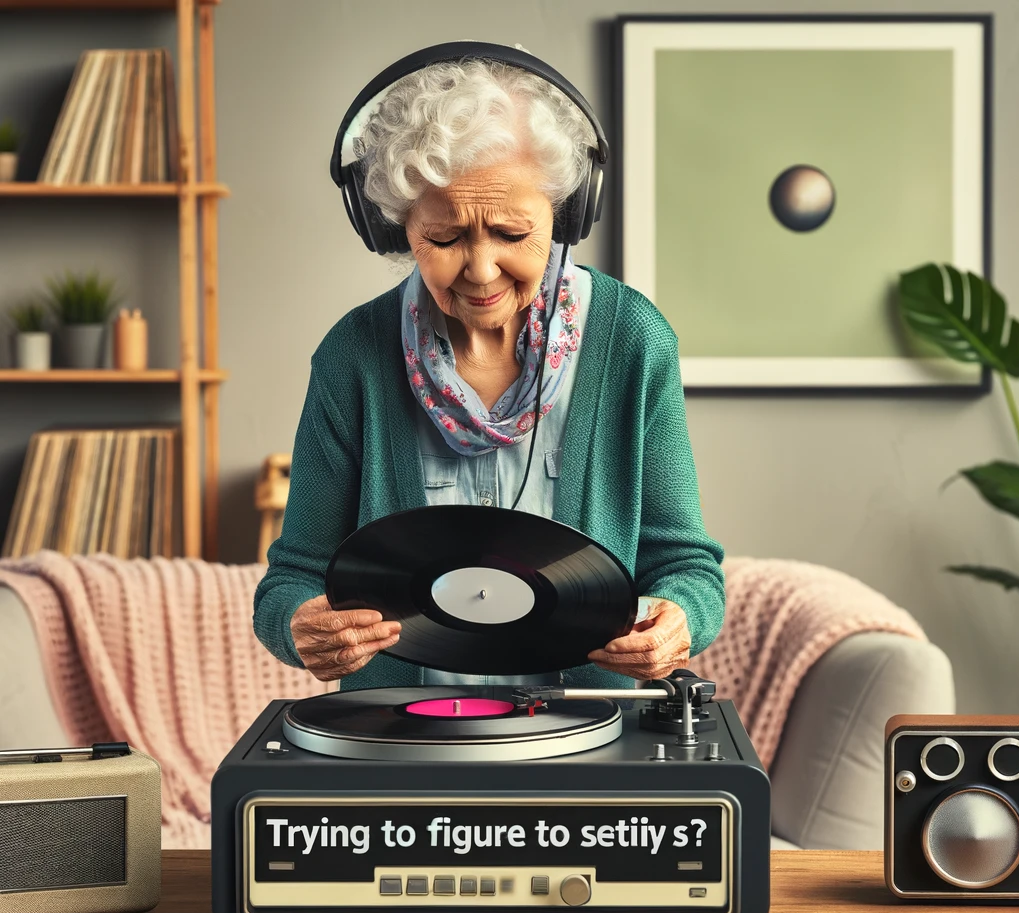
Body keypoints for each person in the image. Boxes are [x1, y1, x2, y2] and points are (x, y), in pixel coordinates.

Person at [254, 45, 725, 691]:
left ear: (565, 214)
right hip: (402, 744)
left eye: (510, 232)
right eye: (443, 239)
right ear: (395, 228)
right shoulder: (353, 356)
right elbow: (294, 577)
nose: (480, 270)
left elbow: (686, 566)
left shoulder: (633, 341)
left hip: (588, 743)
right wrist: (298, 625)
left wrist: (681, 619)